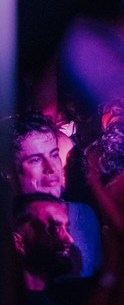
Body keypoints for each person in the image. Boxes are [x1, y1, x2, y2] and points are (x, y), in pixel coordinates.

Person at [9, 112, 102, 278]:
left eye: (54, 155)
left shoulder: (83, 215)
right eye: (35, 160)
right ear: (9, 172)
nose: (51, 168)